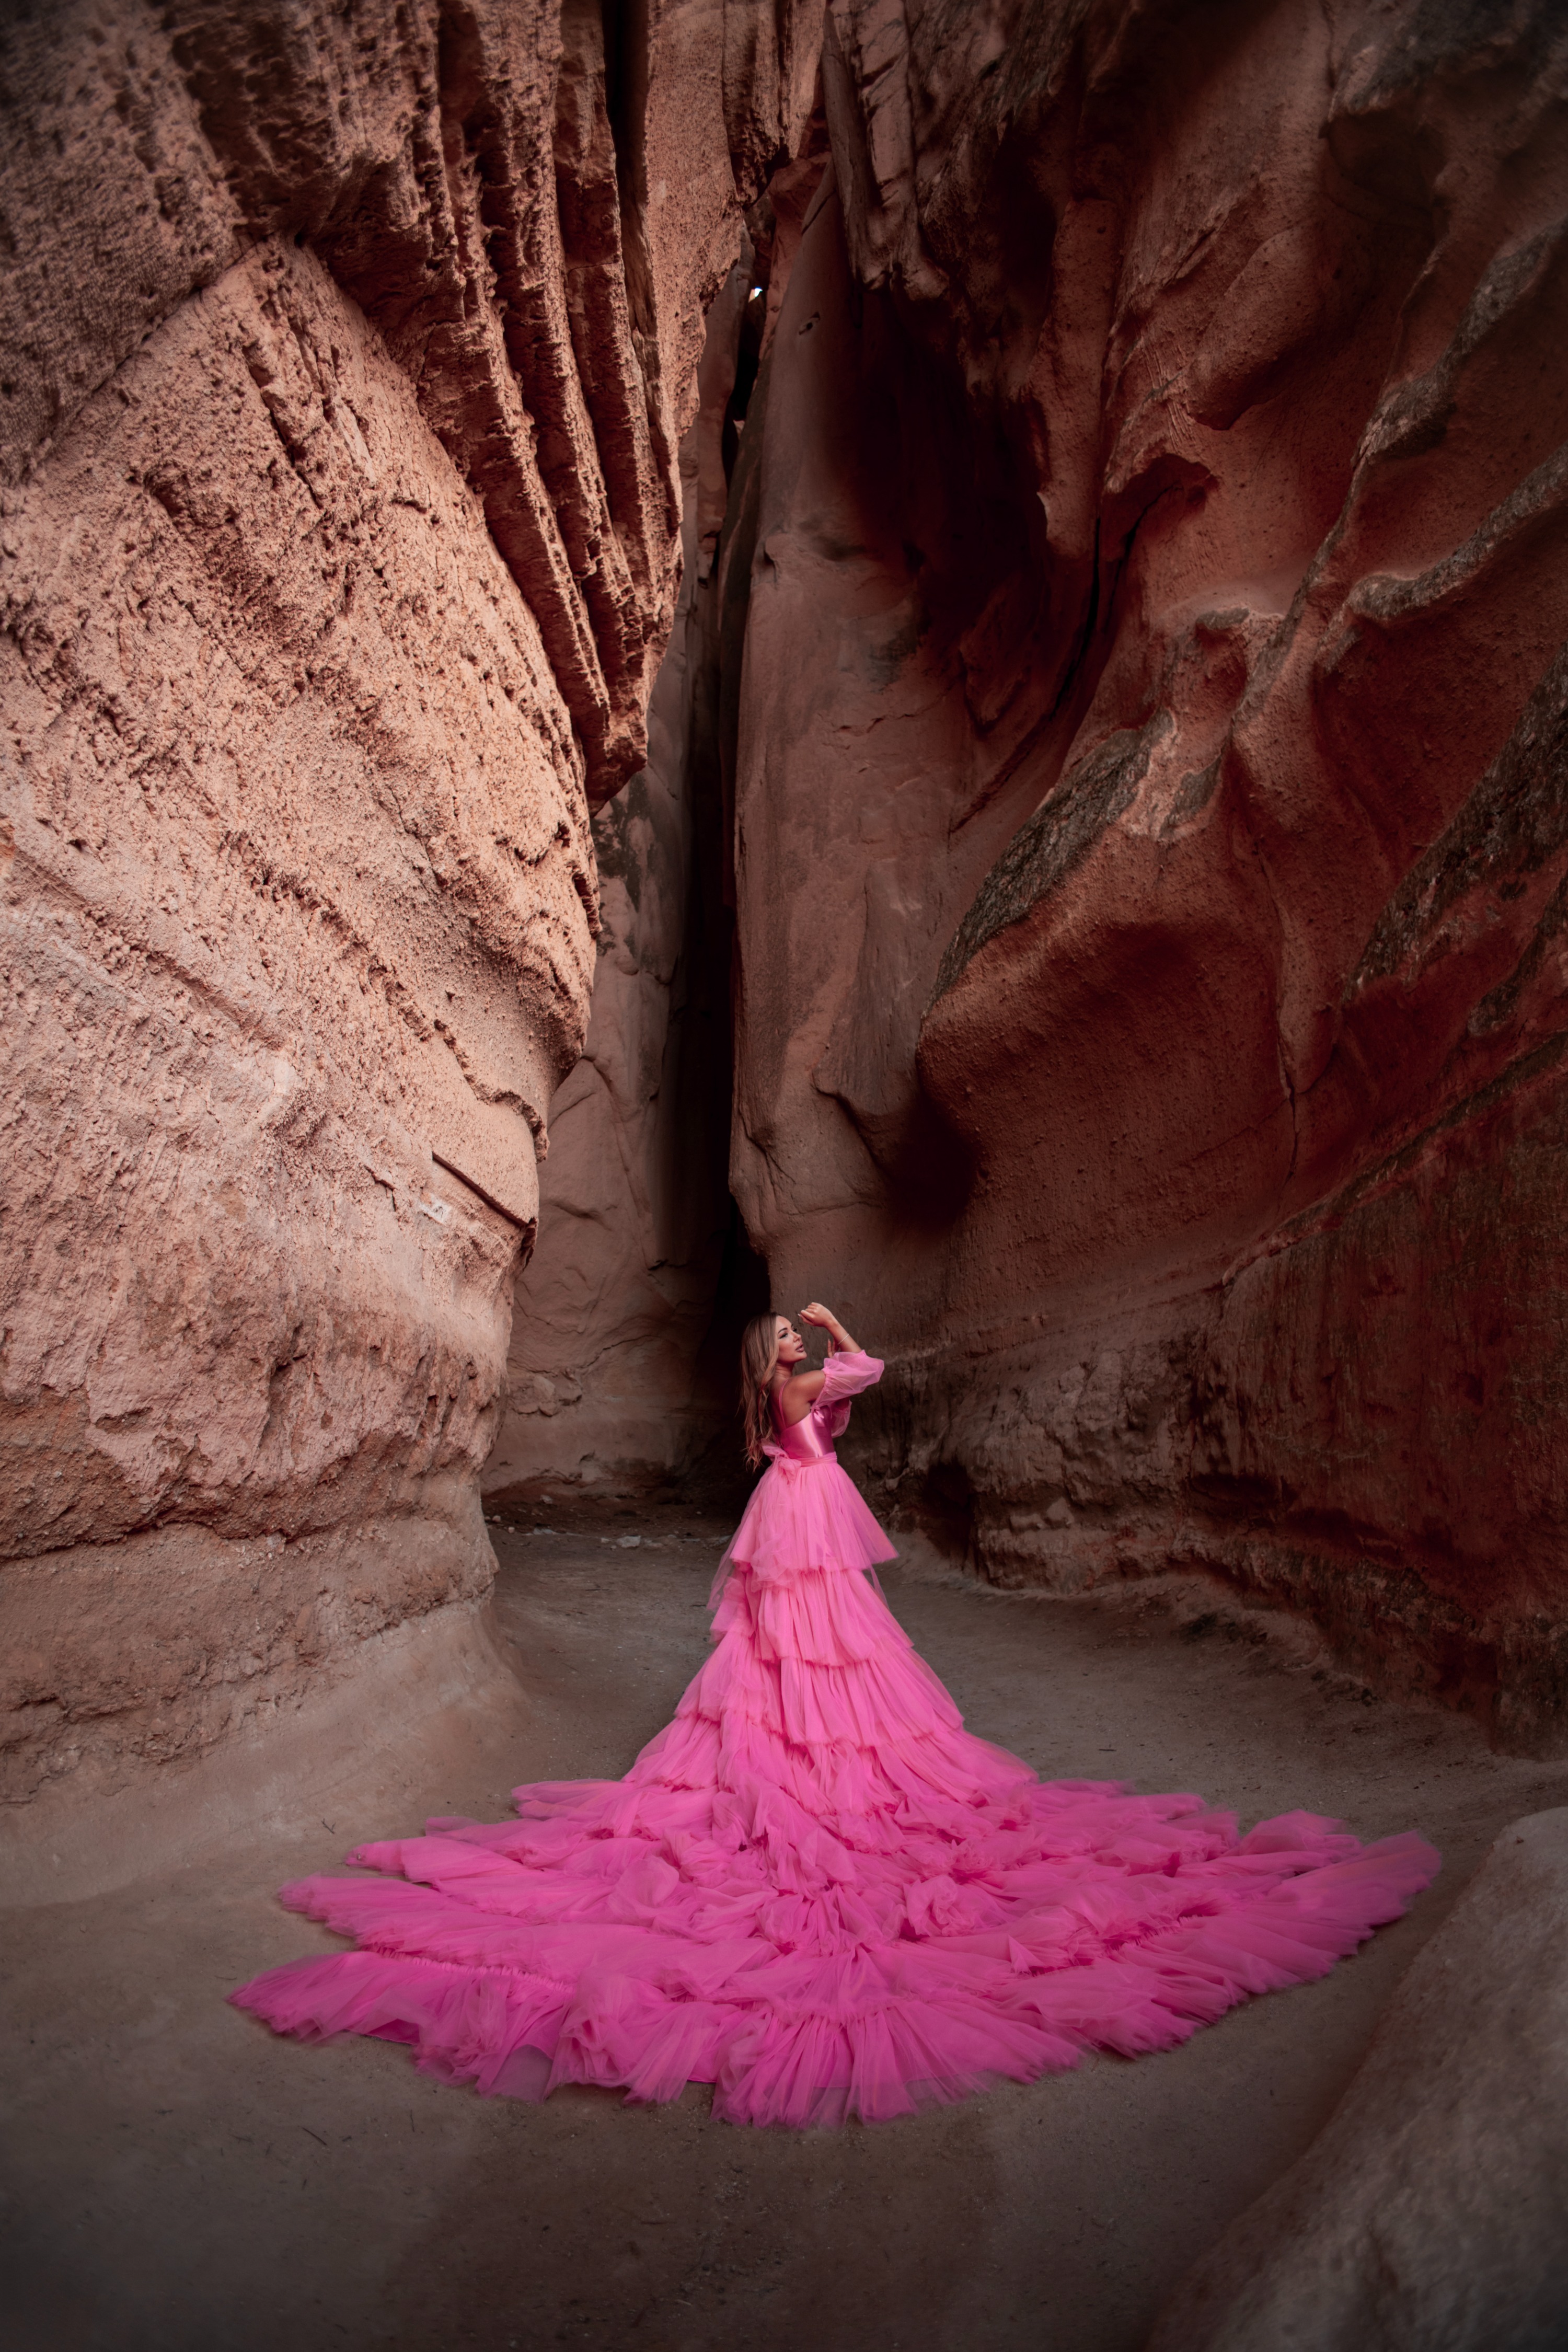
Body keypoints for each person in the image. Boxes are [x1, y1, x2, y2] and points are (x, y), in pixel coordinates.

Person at [231, 1304, 1438, 2127]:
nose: (808, 1350)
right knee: (840, 1646)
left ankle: (797, 1752)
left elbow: (825, 1411)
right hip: (813, 1517)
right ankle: (830, 1773)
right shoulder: (811, 1375)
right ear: (786, 1351)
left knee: (785, 1646)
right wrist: (838, 1329)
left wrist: (797, 1341)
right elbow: (872, 1374)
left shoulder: (770, 1397)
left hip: (789, 1515)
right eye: (795, 1341)